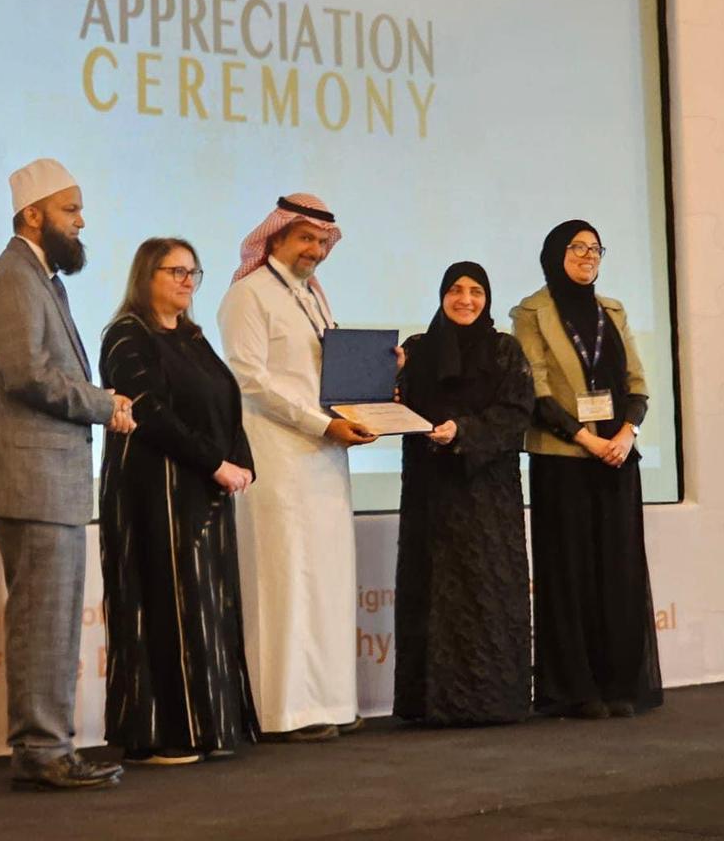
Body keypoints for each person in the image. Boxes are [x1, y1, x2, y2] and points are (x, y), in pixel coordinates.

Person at [0, 157, 137, 790]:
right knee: (44, 619)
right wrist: (103, 403)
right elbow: (27, 374)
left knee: (53, 618)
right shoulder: (14, 278)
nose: (81, 221)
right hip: (30, 479)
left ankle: (48, 746)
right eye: (70, 210)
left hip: (46, 480)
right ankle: (42, 750)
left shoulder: (40, 278)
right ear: (33, 215)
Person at [217, 194, 376, 742]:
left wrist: (376, 382)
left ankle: (330, 702)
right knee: (284, 582)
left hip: (325, 457)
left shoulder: (313, 296)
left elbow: (327, 374)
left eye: (322, 242)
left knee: (327, 581)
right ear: (276, 237)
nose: (315, 250)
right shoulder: (248, 295)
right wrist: (319, 424)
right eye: (305, 238)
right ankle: (283, 713)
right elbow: (250, 381)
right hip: (277, 459)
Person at [98, 238, 260, 765]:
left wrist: (241, 461)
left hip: (202, 491)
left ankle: (207, 727)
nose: (188, 281)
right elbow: (150, 412)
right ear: (146, 276)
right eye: (176, 272)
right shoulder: (127, 336)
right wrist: (215, 464)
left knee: (204, 609)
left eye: (194, 272)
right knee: (162, 608)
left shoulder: (191, 336)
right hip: (153, 495)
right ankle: (161, 735)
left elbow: (226, 401)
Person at [510, 219, 663, 720]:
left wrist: (625, 435)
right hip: (563, 461)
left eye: (595, 249)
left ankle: (620, 683)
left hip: (616, 459)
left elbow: (638, 386)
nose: (587, 256)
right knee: (570, 577)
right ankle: (575, 689)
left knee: (618, 573)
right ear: (555, 254)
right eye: (577, 247)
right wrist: (587, 439)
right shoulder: (531, 312)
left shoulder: (611, 311)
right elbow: (536, 392)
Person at [393, 261, 535, 726]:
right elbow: (399, 406)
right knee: (431, 591)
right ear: (441, 296)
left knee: (486, 590)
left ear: (487, 298)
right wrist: (390, 382)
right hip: (429, 491)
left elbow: (516, 413)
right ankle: (428, 704)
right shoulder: (417, 350)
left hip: (486, 493)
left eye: (476, 291)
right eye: (455, 290)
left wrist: (464, 431)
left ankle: (491, 701)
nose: (465, 299)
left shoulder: (504, 350)